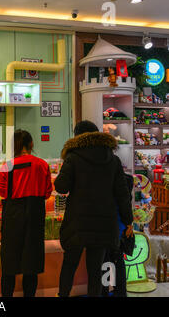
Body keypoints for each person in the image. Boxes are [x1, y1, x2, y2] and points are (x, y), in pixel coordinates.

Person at [54, 120, 133, 297]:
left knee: (69, 266)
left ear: (77, 136)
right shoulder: (113, 159)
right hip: (104, 224)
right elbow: (122, 195)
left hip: (77, 223)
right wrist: (128, 221)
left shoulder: (73, 157)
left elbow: (61, 187)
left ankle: (63, 295)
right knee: (96, 271)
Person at [0, 129, 53, 297]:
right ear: (31, 144)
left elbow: (3, 193)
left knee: (10, 263)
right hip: (35, 215)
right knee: (31, 263)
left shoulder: (7, 166)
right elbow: (47, 193)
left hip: (13, 215)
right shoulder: (42, 164)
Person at [102, 173, 134, 297]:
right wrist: (129, 223)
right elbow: (126, 208)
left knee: (106, 263)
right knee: (117, 262)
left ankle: (106, 292)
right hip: (119, 230)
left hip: (106, 230)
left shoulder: (105, 182)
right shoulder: (125, 182)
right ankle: (119, 292)